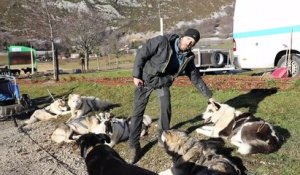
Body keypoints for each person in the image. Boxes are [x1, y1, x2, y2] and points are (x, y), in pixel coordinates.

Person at [129, 28, 216, 164]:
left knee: (166, 107)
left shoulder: (188, 57)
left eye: (192, 43)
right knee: (138, 112)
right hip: (145, 79)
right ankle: (134, 146)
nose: (189, 43)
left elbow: (196, 78)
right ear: (182, 37)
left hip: (162, 82)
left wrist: (209, 97)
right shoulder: (162, 42)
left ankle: (162, 137)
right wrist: (136, 75)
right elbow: (142, 53)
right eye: (188, 39)